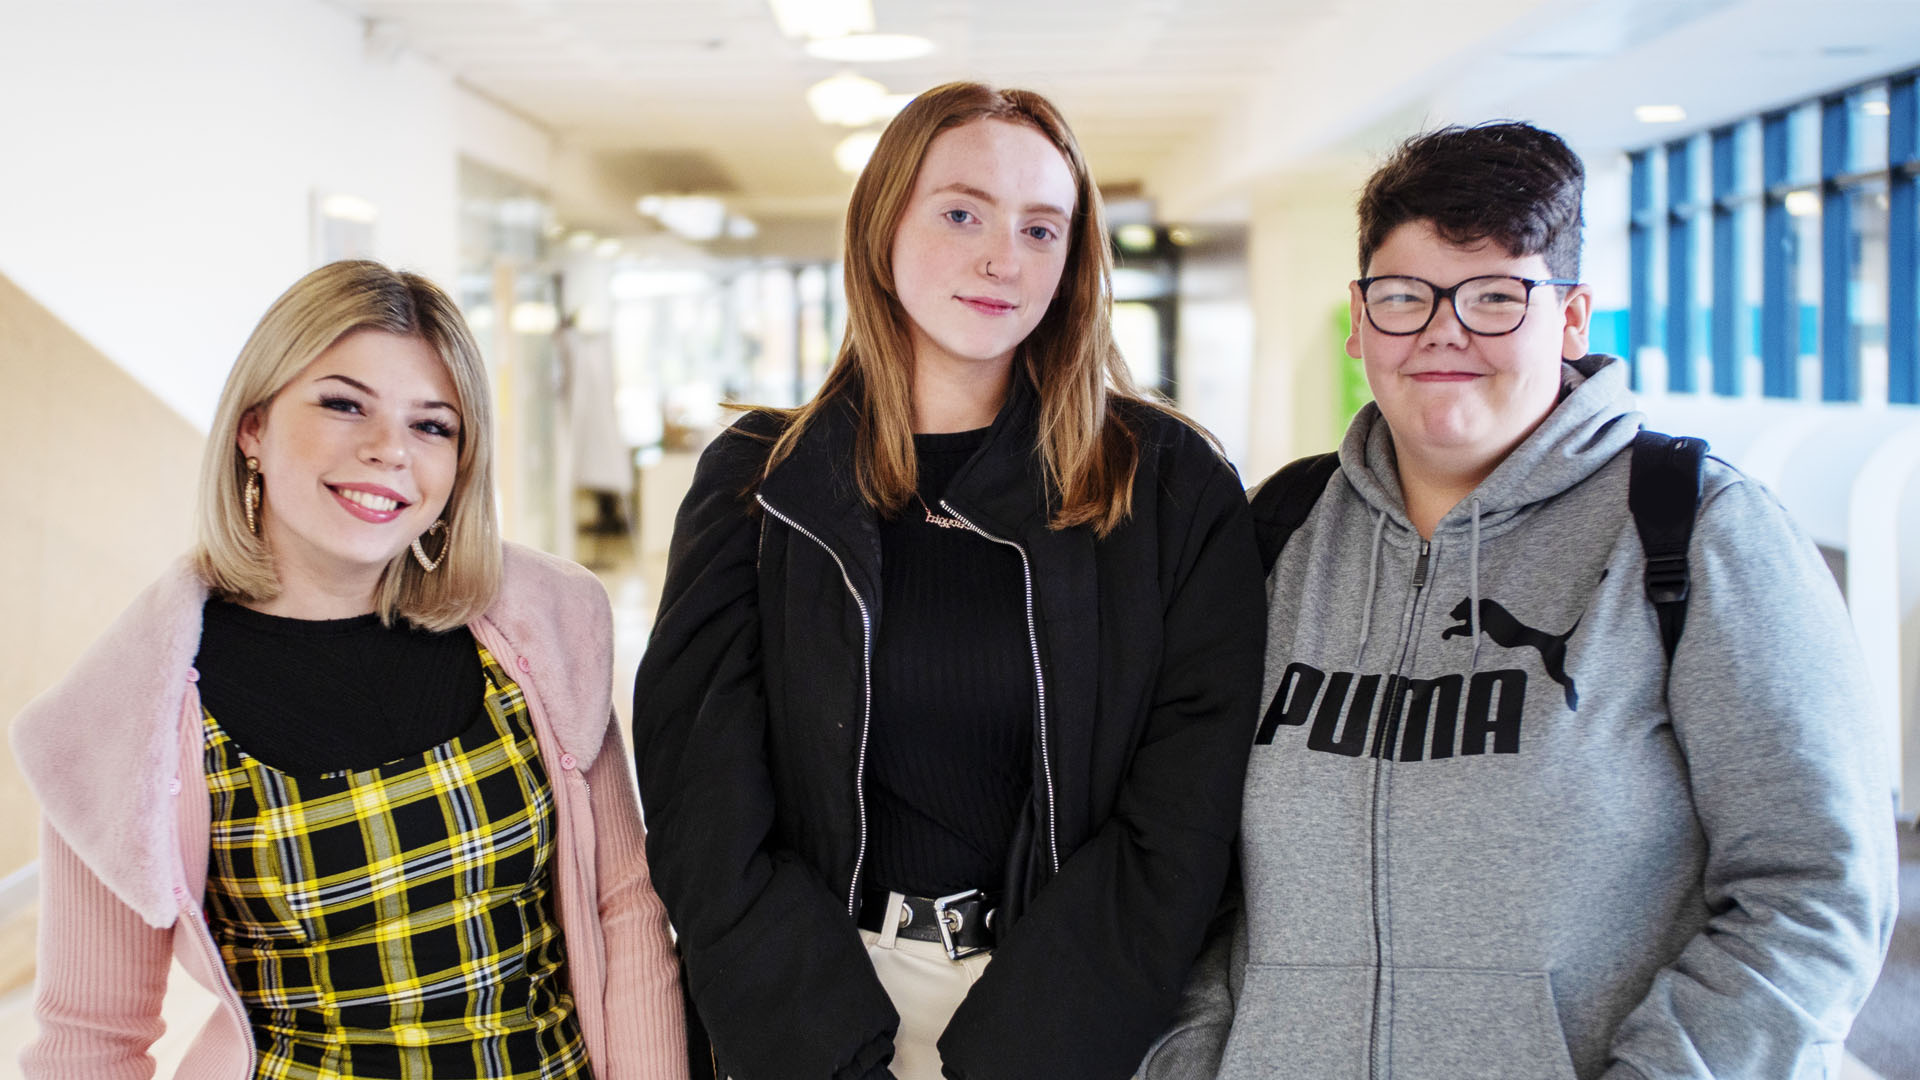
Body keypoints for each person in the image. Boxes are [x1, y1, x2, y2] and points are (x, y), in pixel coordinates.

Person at [1141, 121, 1899, 1080]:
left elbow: (1814, 888)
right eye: (1406, 296)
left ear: (1573, 317)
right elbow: (1187, 863)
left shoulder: (1697, 532)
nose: (1443, 332)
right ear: (1360, 315)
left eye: (1497, 296)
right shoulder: (1276, 532)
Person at [631, 82, 1265, 1080]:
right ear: (880, 222)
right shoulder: (762, 483)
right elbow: (703, 808)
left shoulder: (1167, 486)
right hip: (812, 1010)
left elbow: (1185, 814)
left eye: (1042, 228)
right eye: (962, 212)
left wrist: (1027, 1051)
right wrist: (826, 1053)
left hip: (1070, 1018)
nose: (1002, 258)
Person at [13, 260, 687, 1079]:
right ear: (251, 428)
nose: (388, 451)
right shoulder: (124, 715)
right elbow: (94, 1039)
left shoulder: (543, 632)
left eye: (432, 426)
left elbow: (625, 910)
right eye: (343, 404)